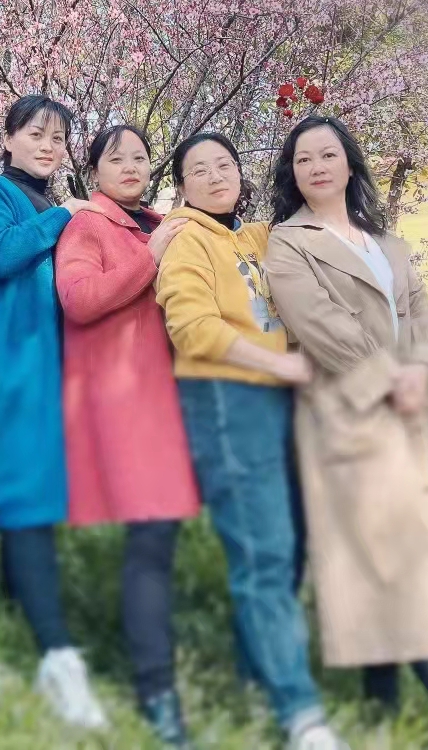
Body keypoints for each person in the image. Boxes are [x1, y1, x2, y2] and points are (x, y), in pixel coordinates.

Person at [264, 117, 428, 750]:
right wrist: (392, 380)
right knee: (385, 555)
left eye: (328, 154)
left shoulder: (386, 243)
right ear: (292, 173)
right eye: (303, 158)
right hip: (350, 410)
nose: (317, 166)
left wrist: (421, 369)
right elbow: (322, 326)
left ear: (350, 164)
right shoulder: (288, 243)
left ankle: (381, 698)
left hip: (405, 411)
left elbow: (425, 314)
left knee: (401, 552)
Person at [153, 132, 346, 750]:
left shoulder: (257, 236)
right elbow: (192, 328)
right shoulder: (186, 240)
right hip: (226, 400)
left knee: (288, 547)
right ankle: (301, 715)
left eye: (225, 165)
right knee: (264, 554)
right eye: (199, 170)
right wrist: (279, 363)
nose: (215, 177)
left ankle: (256, 675)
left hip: (278, 402)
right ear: (182, 186)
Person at [0, 94, 112, 730]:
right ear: (8, 139)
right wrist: (64, 217)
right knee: (27, 504)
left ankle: (13, 618)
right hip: (8, 375)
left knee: (32, 504)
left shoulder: (47, 200)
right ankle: (57, 656)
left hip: (42, 374)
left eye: (57, 138)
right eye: (35, 135)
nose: (48, 147)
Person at [55, 125, 199, 747]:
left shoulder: (162, 223)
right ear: (95, 171)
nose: (132, 166)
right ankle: (157, 690)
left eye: (140, 157)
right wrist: (151, 255)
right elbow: (79, 299)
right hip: (126, 404)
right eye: (117, 158)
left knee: (163, 538)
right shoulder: (89, 226)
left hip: (179, 398)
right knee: (152, 536)